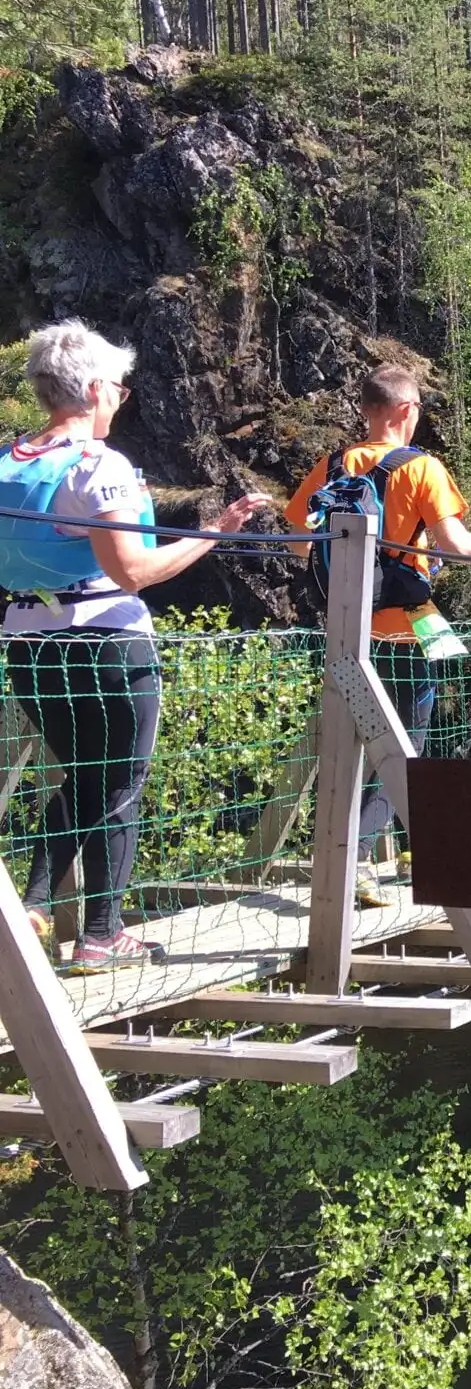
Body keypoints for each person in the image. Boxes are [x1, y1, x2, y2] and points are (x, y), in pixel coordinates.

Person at [0, 322, 271, 969]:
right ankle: (102, 936)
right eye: (119, 388)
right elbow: (134, 571)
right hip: (108, 646)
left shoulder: (7, 462)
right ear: (94, 389)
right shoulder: (100, 465)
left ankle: (34, 905)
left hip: (29, 647)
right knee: (121, 782)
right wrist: (215, 535)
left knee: (84, 777)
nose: (121, 399)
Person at [288, 366, 471, 905]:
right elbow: (456, 544)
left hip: (347, 632)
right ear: (406, 411)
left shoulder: (333, 465)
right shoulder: (423, 468)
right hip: (406, 632)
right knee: (406, 744)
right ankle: (360, 858)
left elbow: (300, 542)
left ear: (367, 410)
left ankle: (409, 844)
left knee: (355, 742)